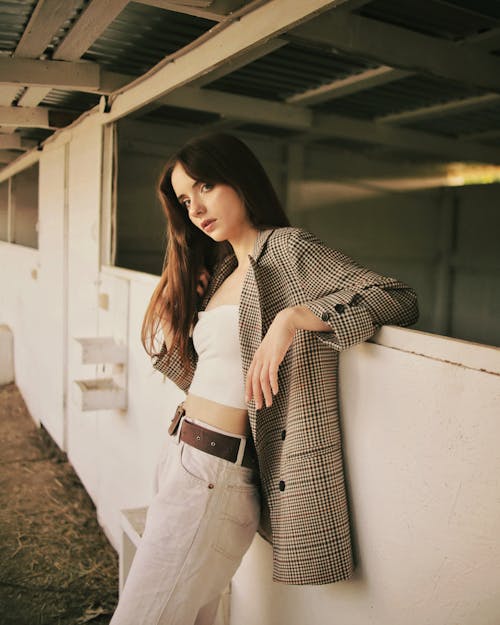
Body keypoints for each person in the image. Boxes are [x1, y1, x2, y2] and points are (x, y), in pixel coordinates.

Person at [110, 133, 419, 625]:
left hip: (215, 474)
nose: (196, 208)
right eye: (185, 200)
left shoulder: (286, 250)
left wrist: (294, 317)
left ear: (240, 178)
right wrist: (180, 318)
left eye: (205, 187)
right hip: (182, 456)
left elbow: (396, 296)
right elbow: (218, 379)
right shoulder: (224, 269)